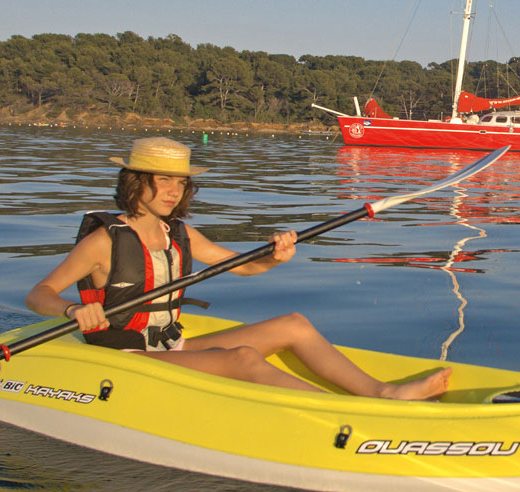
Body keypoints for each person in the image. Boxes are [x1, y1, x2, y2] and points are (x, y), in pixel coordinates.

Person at [26, 137, 450, 400]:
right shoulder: (103, 240)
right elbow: (39, 295)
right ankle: (344, 412)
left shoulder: (181, 233)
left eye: (181, 183)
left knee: (295, 324)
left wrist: (275, 255)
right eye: (163, 180)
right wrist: (71, 311)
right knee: (243, 359)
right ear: (136, 182)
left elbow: (243, 268)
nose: (174, 191)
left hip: (169, 347)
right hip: (126, 356)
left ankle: (383, 392)